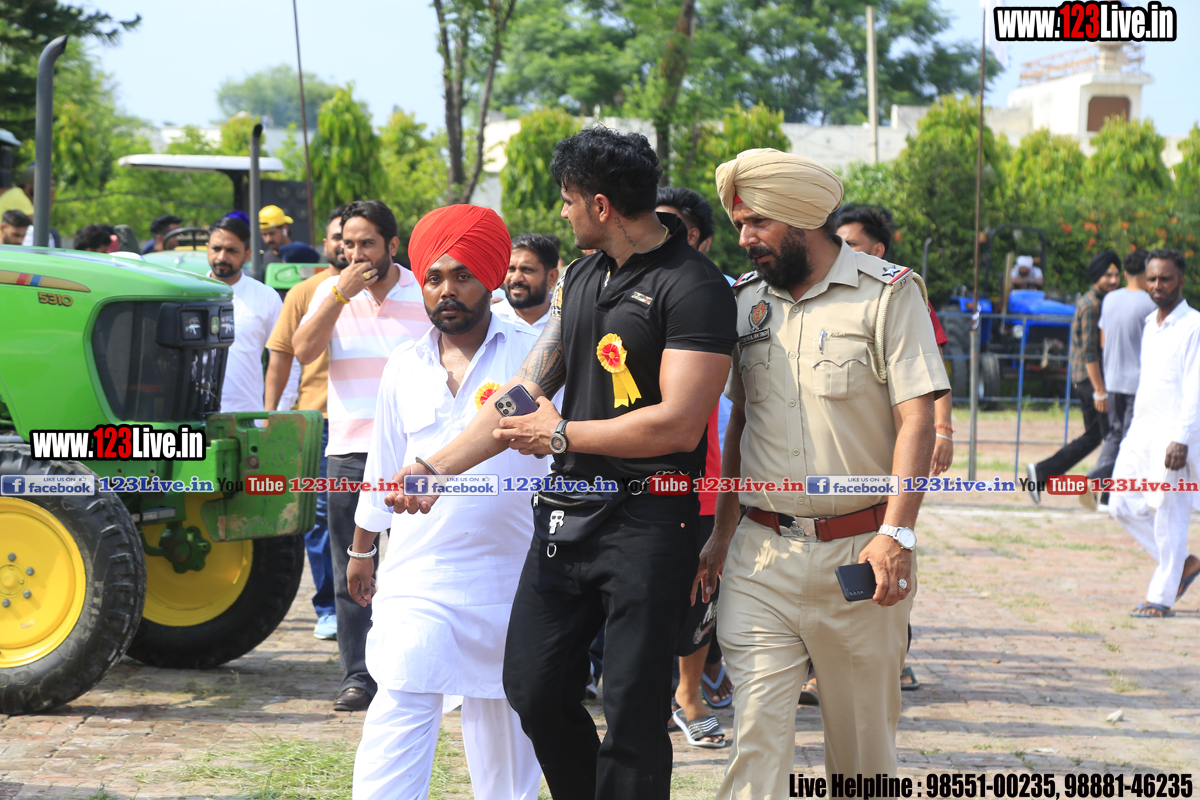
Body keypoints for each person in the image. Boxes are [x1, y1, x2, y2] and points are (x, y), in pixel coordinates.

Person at [390, 126, 737, 800]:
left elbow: (679, 421)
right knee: (533, 686)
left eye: (568, 199)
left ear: (601, 205)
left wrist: (562, 435)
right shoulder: (579, 276)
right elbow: (524, 391)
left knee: (632, 710)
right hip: (567, 514)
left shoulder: (693, 286)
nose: (562, 211)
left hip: (650, 520)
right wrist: (436, 466)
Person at [692, 148, 948, 791]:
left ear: (803, 220)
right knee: (754, 741)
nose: (744, 238)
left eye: (758, 223)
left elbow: (916, 420)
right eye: (740, 224)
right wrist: (721, 534)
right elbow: (741, 422)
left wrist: (898, 533)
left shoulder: (888, 294)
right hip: (760, 557)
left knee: (862, 753)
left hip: (860, 557)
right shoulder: (746, 301)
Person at [346, 205, 542, 800]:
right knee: (401, 697)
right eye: (433, 278)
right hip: (419, 573)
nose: (446, 291)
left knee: (506, 718)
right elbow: (382, 464)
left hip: (514, 573)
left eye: (462, 276)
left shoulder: (536, 355)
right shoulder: (404, 365)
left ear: (491, 278)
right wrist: (362, 548)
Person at [293, 199, 429, 712]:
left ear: (393, 245)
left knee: (420, 561)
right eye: (348, 244)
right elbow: (303, 351)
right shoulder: (329, 291)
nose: (356, 254)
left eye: (367, 243)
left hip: (416, 453)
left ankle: (418, 669)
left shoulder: (424, 289)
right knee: (353, 564)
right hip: (349, 449)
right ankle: (358, 676)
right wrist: (338, 295)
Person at [653, 184, 732, 746]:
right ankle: (651, 696)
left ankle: (690, 692)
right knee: (646, 590)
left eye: (670, 226)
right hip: (633, 473)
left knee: (702, 588)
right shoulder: (616, 287)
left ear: (698, 236)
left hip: (710, 468)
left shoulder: (725, 293)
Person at [264, 206, 349, 641]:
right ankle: (329, 607)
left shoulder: (391, 292)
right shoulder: (304, 292)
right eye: (338, 238)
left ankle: (377, 603)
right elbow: (281, 356)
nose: (345, 247)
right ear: (326, 243)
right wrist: (271, 416)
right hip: (320, 421)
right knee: (320, 517)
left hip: (377, 422)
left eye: (355, 239)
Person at [1109, 248, 1200, 618]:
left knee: (1169, 514)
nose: (1157, 285)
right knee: (1120, 502)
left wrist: (1182, 438)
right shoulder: (1150, 323)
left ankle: (1161, 598)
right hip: (1141, 431)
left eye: (1165, 278)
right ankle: (1185, 562)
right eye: (1152, 278)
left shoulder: (1193, 325)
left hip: (1175, 437)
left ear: (1181, 281)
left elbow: (1196, 387)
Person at [1028, 251, 1122, 503]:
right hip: (1092, 381)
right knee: (1112, 436)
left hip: (1086, 379)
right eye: (1108, 275)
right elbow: (1090, 351)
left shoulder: (1095, 301)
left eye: (1116, 275)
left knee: (1097, 435)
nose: (1114, 280)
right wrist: (1100, 390)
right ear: (1096, 276)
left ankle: (1043, 473)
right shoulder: (1093, 305)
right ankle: (1103, 494)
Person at [1082, 248, 1157, 509]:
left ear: (1124, 273)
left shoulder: (1110, 299)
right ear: (1148, 272)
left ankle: (1105, 494)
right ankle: (1099, 480)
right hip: (1137, 384)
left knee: (1115, 436)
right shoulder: (1150, 304)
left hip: (1112, 381)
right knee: (1132, 440)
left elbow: (1102, 341)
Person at [206, 216, 282, 413]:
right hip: (192, 417)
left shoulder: (266, 297)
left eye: (231, 250)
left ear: (247, 255)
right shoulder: (189, 294)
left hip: (246, 419)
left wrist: (275, 414)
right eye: (216, 249)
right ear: (207, 249)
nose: (222, 257)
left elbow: (284, 359)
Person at [493, 233, 560, 331]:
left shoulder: (571, 321)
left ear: (552, 277)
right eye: (511, 269)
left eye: (527, 270)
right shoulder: (489, 321)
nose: (516, 278)